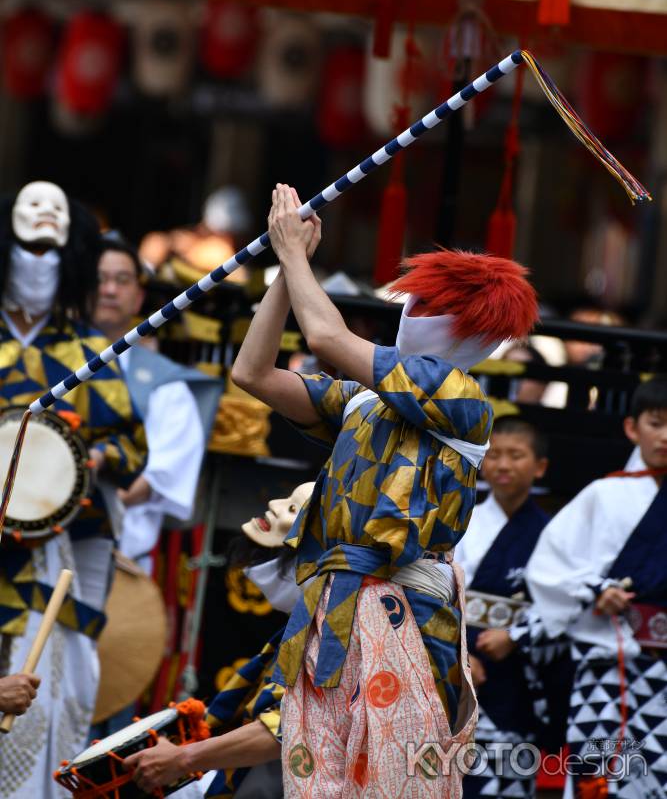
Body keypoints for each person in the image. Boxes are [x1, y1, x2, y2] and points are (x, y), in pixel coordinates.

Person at [230, 183, 539, 797]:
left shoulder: (461, 397)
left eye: (427, 304)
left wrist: (295, 255)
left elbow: (327, 341)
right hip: (336, 601)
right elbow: (253, 373)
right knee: (320, 776)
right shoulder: (365, 402)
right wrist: (281, 271)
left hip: (406, 611)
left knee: (391, 780)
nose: (412, 311)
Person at [0, 181, 146, 798]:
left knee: (53, 690)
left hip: (61, 549)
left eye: (52, 245)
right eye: (24, 243)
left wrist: (80, 459)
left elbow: (134, 449)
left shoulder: (92, 353)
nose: (37, 260)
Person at [123, 481, 316, 798]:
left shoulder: (338, 623)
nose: (274, 504)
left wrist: (184, 758)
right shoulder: (309, 617)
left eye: (293, 509)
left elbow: (287, 727)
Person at [526, 376, 667, 798]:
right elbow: (547, 568)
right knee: (597, 782)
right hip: (605, 661)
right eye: (657, 423)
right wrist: (593, 590)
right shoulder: (604, 494)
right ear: (631, 428)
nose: (666, 436)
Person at [92, 238, 222, 571]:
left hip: (119, 557)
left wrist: (94, 507)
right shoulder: (42, 363)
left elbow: (163, 472)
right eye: (99, 279)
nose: (108, 290)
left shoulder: (166, 384)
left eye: (121, 280)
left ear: (138, 295)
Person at [455, 417, 551, 799]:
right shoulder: (463, 519)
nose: (504, 465)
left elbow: (561, 603)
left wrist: (516, 635)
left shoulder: (552, 531)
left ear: (539, 466)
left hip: (514, 672)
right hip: (457, 664)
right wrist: (457, 655)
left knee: (507, 778)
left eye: (516, 455)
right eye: (494, 455)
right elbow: (439, 592)